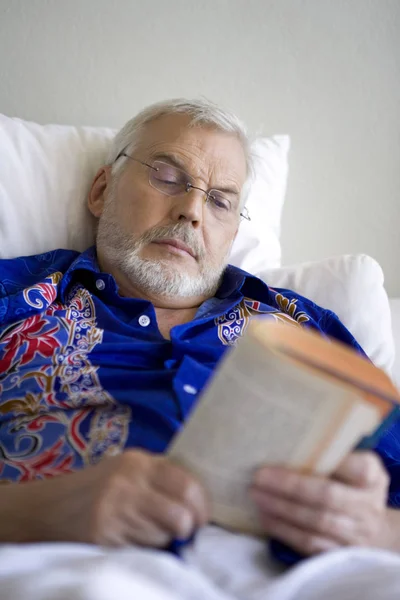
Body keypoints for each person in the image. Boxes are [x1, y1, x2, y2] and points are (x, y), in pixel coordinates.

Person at [0, 98, 399, 561]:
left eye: (220, 201)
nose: (192, 210)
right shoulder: (18, 296)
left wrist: (372, 529)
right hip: (70, 565)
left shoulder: (303, 326)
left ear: (232, 233)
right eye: (167, 178)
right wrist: (39, 511)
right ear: (101, 190)